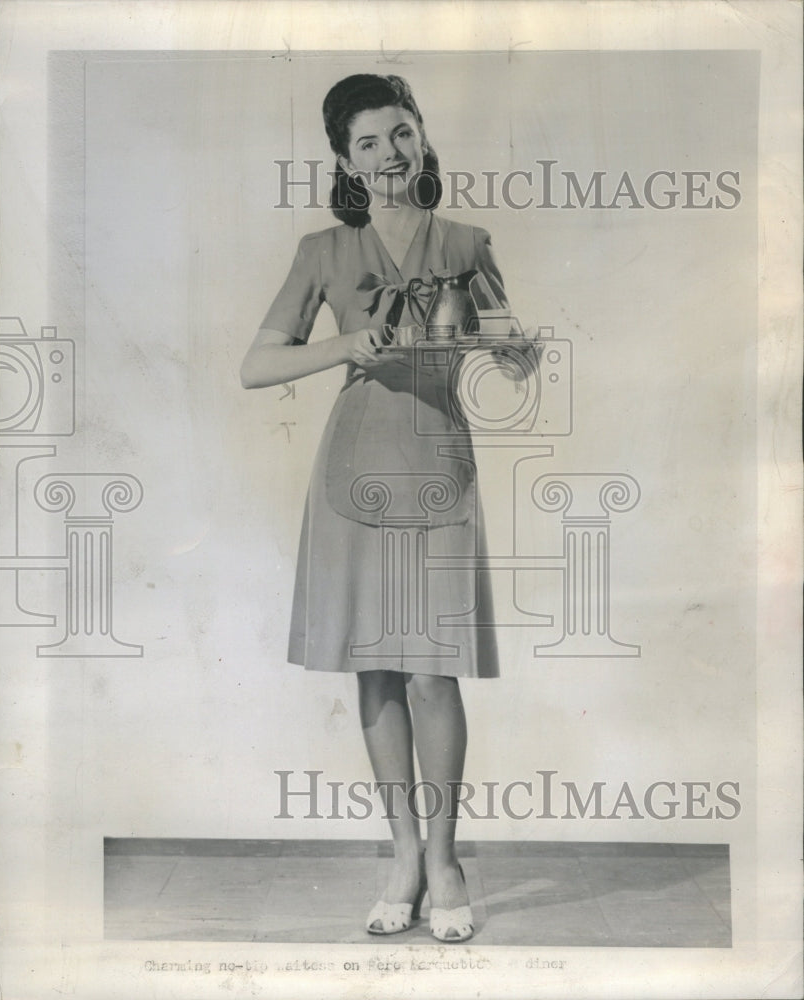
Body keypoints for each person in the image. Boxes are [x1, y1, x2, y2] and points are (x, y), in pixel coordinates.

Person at [241, 73, 509, 943]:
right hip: (351, 469)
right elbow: (255, 365)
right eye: (368, 143)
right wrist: (345, 343)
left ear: (421, 136)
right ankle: (400, 856)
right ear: (344, 162)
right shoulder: (323, 249)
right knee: (378, 668)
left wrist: (507, 342)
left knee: (434, 670)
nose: (390, 153)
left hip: (438, 461)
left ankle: (444, 859)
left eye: (400, 133)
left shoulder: (466, 238)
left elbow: (513, 363)